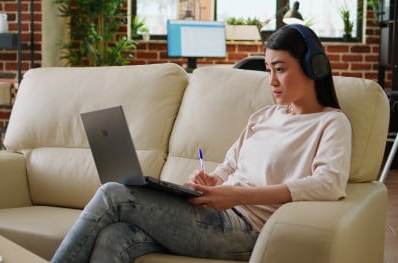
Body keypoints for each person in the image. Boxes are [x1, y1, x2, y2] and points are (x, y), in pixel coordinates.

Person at [51, 24, 352, 263]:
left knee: (112, 195)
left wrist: (237, 196)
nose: (271, 80)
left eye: (281, 69)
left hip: (250, 230)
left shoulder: (330, 123)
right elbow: (231, 165)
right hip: (219, 214)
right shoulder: (264, 115)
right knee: (115, 237)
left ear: (314, 67)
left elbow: (328, 183)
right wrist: (212, 180)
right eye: (269, 69)